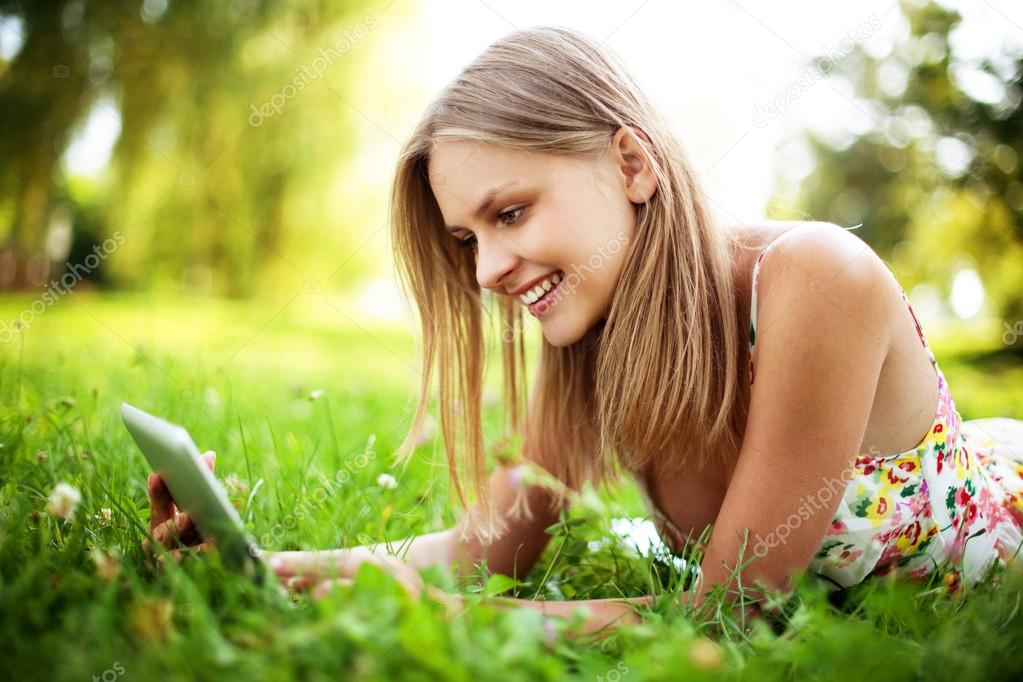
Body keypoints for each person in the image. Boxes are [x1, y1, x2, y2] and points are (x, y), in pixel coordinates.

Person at [143, 25, 1023, 635]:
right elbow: (481, 552)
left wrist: (475, 625)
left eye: (512, 212)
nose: (486, 270)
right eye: (467, 239)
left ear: (631, 164)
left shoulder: (815, 278)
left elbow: (731, 619)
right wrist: (259, 560)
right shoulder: (588, 341)